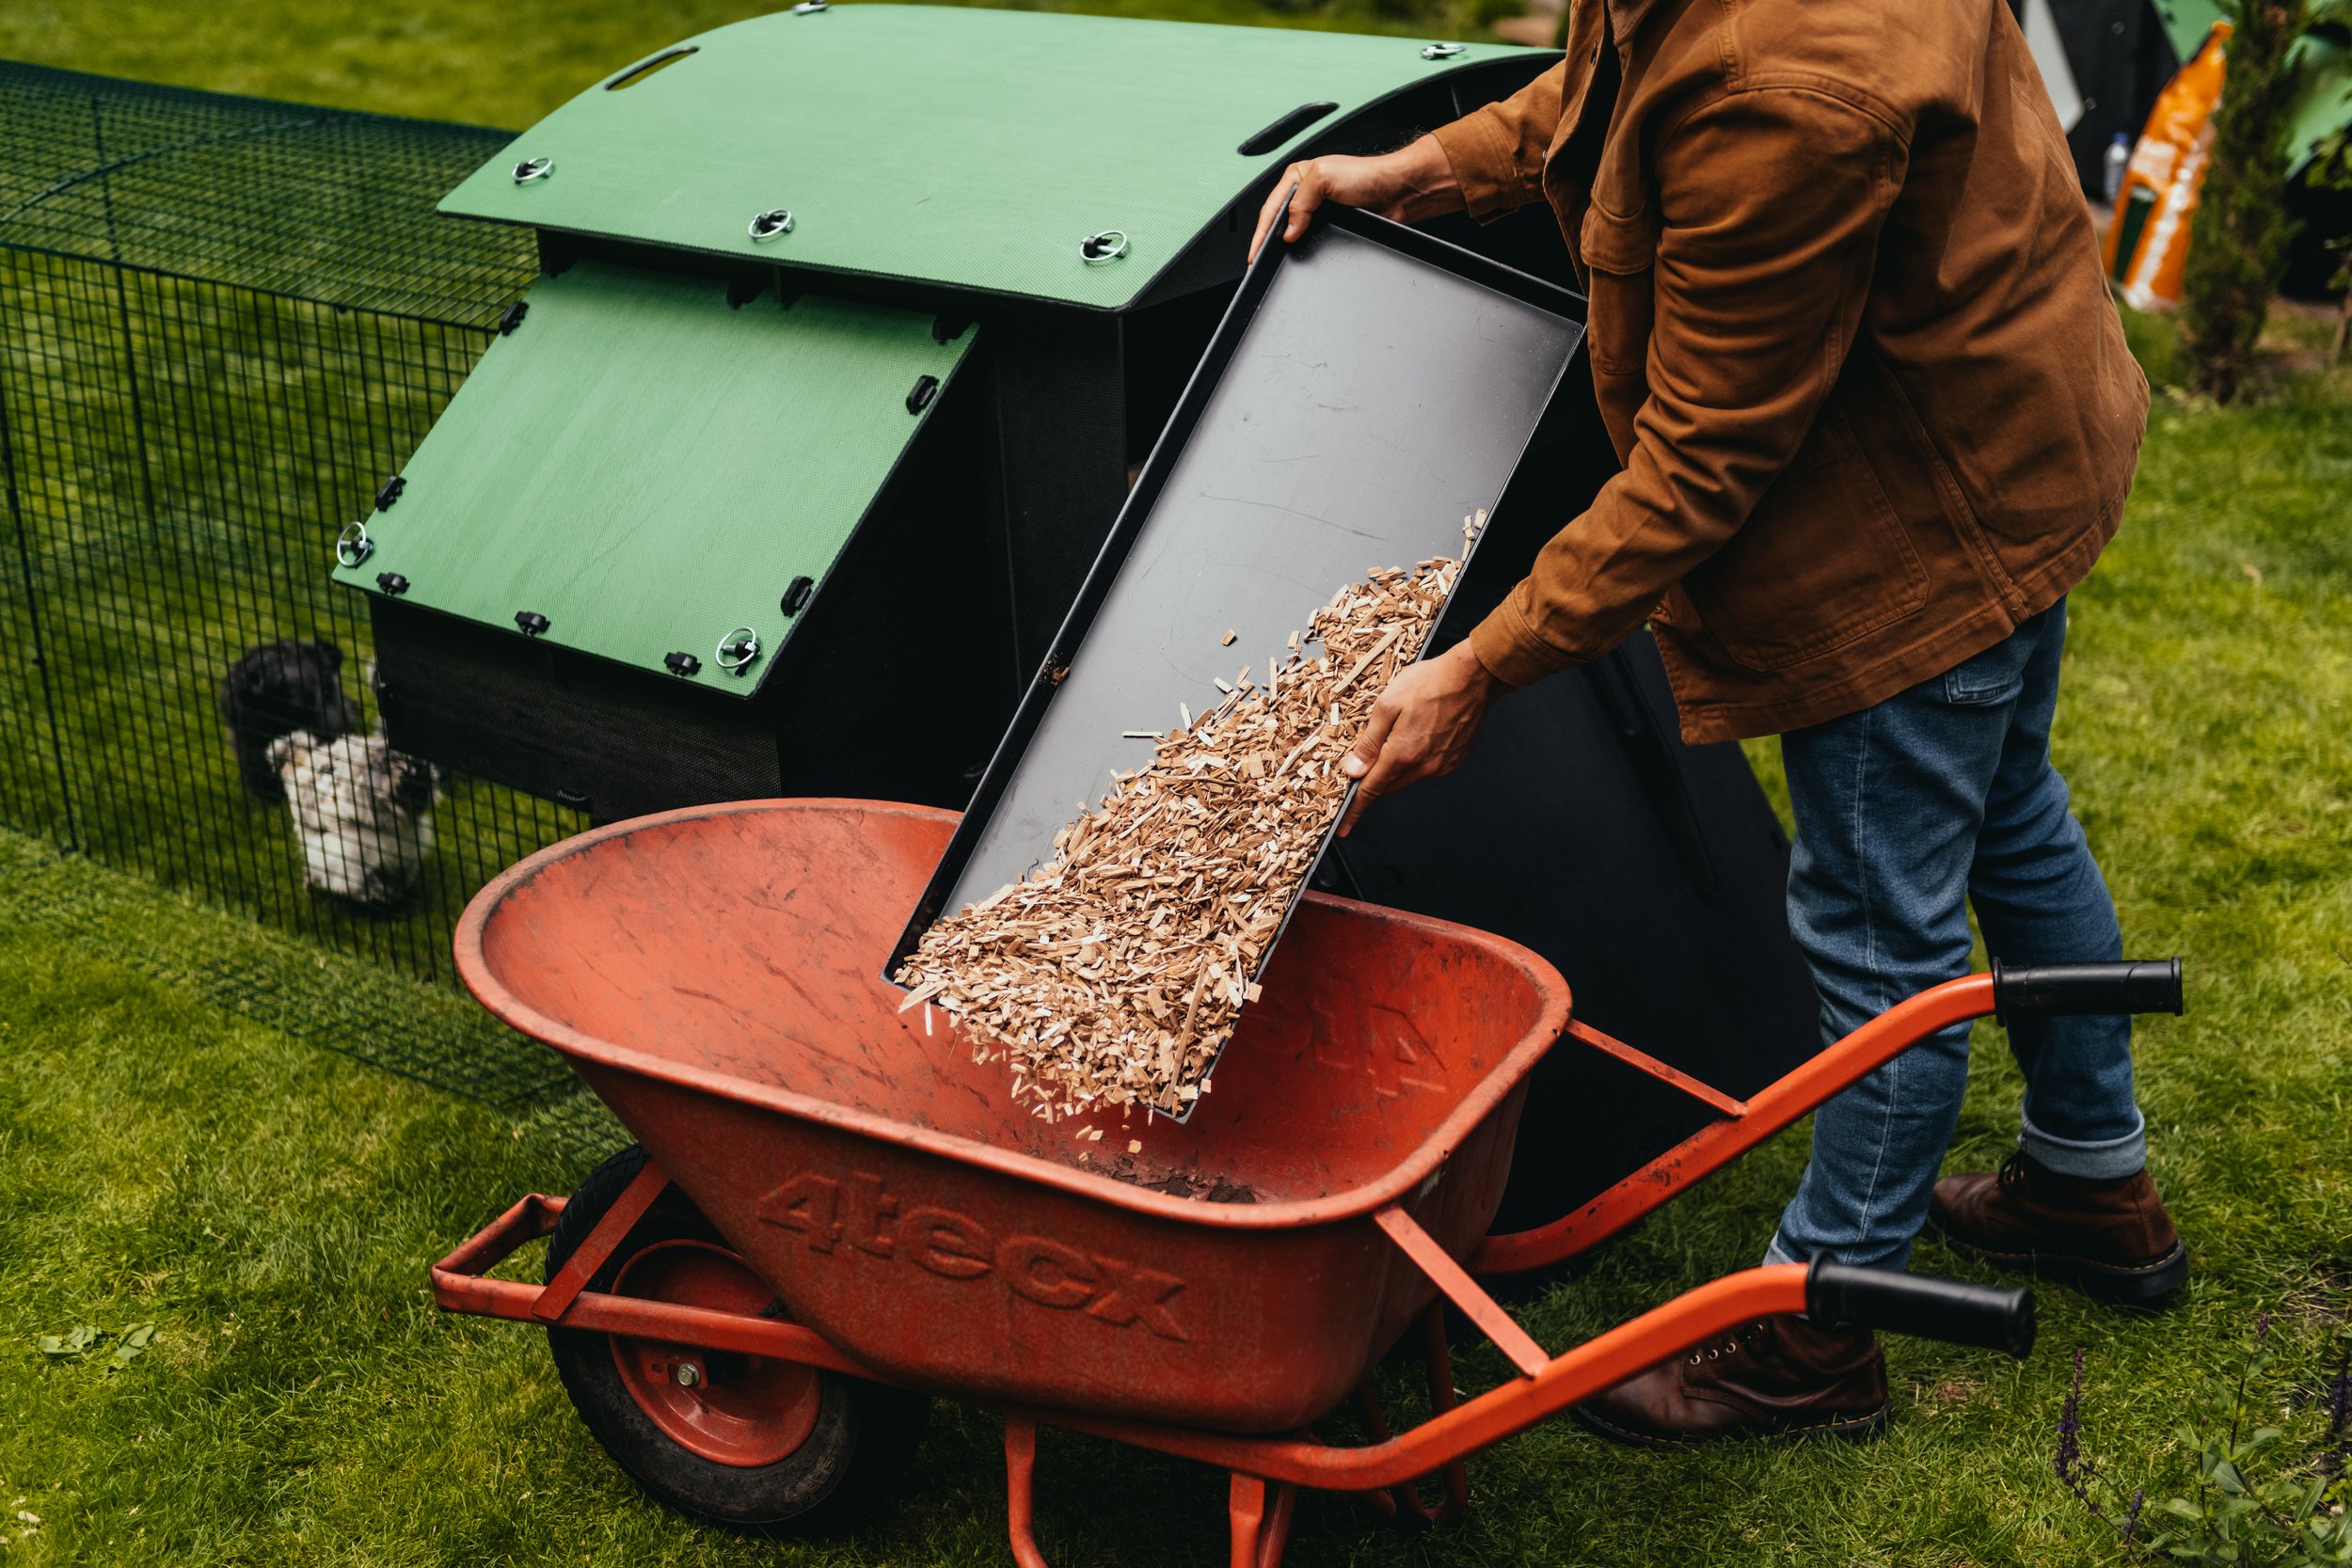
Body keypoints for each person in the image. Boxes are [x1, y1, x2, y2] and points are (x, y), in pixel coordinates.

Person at [1250, 0, 2185, 1446]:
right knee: (2010, 809)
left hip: (1915, 531)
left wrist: (1480, 668)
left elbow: (1700, 462)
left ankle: (1822, 1329)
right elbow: (1599, 104)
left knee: (1884, 941)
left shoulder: (1787, 96)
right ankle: (2090, 1178)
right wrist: (1408, 172)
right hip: (2012, 435)